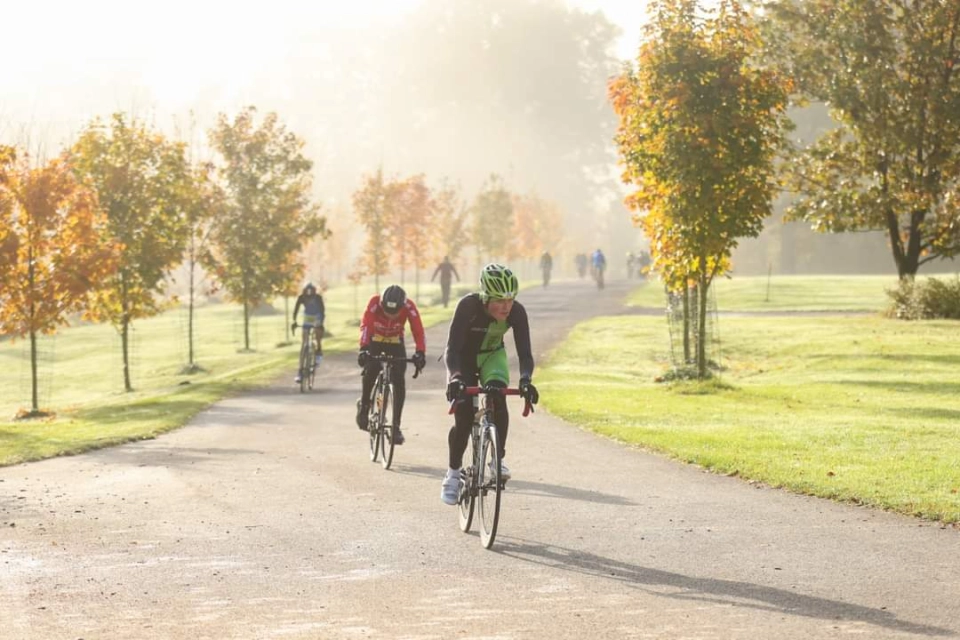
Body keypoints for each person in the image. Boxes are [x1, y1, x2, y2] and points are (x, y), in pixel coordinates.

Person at [440, 263, 539, 505]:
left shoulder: (516, 312)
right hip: (463, 359)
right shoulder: (468, 307)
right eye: (499, 300)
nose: (506, 306)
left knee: (497, 396)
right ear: (485, 297)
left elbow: (525, 354)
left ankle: (497, 459)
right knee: (463, 417)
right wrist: (455, 377)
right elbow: (451, 349)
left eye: (510, 299)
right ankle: (453, 475)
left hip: (491, 356)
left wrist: (525, 380)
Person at [356, 284, 427, 445]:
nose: (390, 316)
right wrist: (363, 348)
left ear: (402, 307)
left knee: (399, 381)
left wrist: (420, 352)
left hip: (395, 342)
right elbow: (366, 325)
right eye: (387, 311)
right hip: (375, 340)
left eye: (394, 313)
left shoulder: (409, 306)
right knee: (371, 369)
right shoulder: (374, 302)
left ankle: (395, 426)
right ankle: (365, 405)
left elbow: (418, 330)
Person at [292, 282, 325, 384]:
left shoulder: (318, 298)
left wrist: (320, 323)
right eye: (307, 295)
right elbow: (296, 310)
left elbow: (322, 311)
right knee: (304, 343)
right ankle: (300, 371)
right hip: (307, 319)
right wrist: (294, 321)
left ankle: (318, 351)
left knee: (317, 333)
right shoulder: (301, 297)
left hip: (317, 318)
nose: (309, 297)